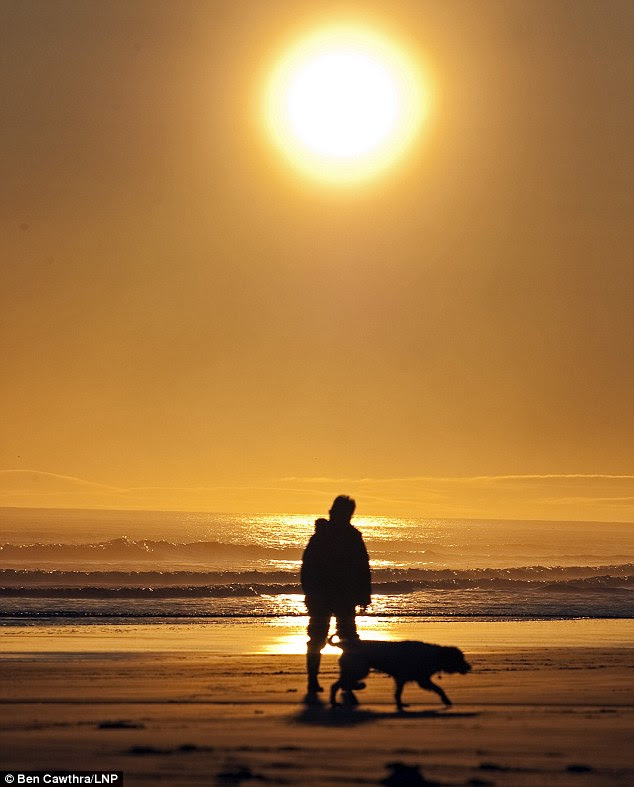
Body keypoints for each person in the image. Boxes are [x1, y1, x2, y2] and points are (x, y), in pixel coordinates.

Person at [300, 495, 372, 694]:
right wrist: (310, 592)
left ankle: (342, 680)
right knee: (324, 638)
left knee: (343, 638)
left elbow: (362, 567)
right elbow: (309, 567)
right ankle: (315, 680)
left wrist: (364, 595)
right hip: (329, 597)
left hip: (338, 597)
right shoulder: (333, 536)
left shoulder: (346, 536)